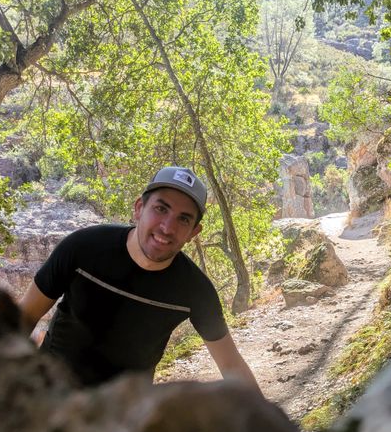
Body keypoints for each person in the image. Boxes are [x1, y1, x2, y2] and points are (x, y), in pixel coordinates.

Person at [19, 166, 261, 393]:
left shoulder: (194, 290)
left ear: (193, 233)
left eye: (183, 219)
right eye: (161, 209)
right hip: (49, 398)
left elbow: (232, 366)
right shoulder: (82, 249)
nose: (167, 227)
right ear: (138, 209)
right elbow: (24, 316)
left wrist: (274, 431)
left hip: (125, 419)